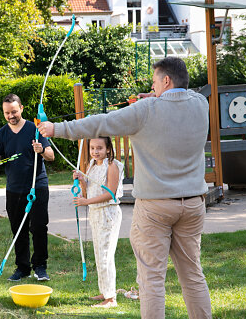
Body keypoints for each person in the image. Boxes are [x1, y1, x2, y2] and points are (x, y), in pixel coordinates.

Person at [38, 57, 212, 318]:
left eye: (155, 82)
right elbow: (177, 102)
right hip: (194, 204)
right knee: (192, 275)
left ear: (166, 80)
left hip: (155, 207)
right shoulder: (201, 104)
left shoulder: (145, 110)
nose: (152, 87)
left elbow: (100, 123)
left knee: (151, 279)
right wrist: (154, 98)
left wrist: (56, 128)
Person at [0, 93, 55, 281]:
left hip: (37, 186)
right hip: (14, 189)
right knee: (18, 229)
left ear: (21, 109)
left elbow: (51, 155)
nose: (11, 116)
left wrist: (40, 150)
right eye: (7, 113)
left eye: (14, 111)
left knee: (39, 227)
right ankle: (22, 268)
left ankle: (40, 267)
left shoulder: (35, 129)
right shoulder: (1, 134)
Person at [73, 137, 124, 308]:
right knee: (99, 253)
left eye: (100, 148)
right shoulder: (93, 165)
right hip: (95, 213)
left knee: (106, 256)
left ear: (108, 149)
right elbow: (87, 192)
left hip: (108, 213)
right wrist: (81, 180)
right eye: (93, 148)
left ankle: (111, 299)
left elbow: (110, 193)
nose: (95, 151)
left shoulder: (112, 165)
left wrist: (86, 202)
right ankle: (105, 291)